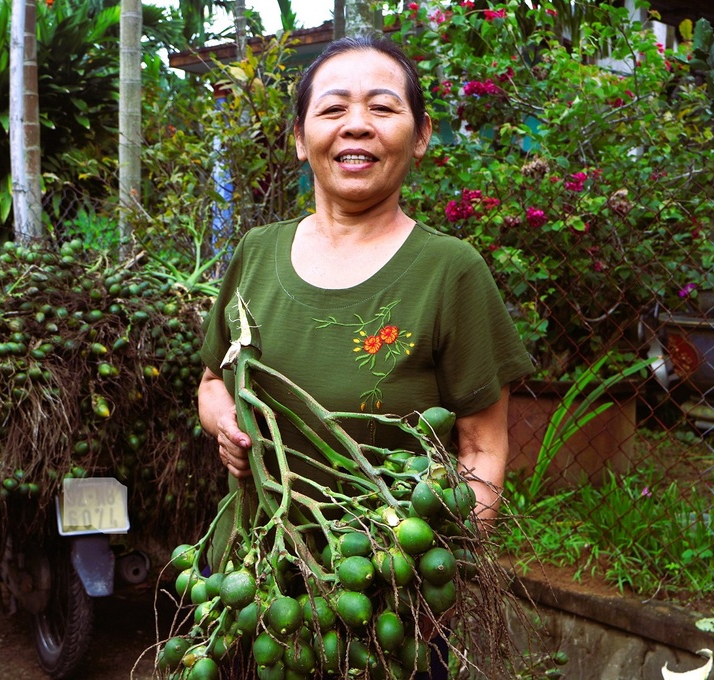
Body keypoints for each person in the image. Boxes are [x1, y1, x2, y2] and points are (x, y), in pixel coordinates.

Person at [197, 35, 534, 677]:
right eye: (332, 110)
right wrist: (224, 420)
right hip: (249, 581)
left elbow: (482, 448)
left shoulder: (450, 272)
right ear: (300, 138)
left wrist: (435, 574)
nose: (357, 125)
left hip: (380, 609)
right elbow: (214, 380)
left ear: (421, 135)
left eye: (382, 108)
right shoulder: (256, 254)